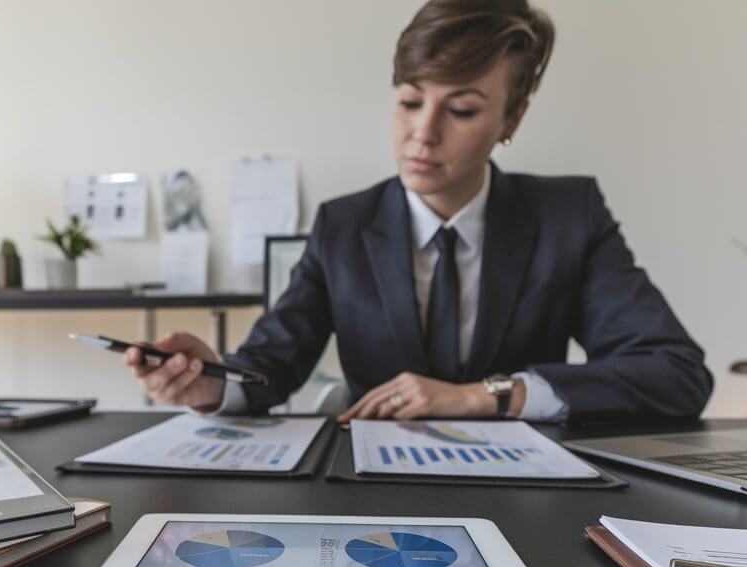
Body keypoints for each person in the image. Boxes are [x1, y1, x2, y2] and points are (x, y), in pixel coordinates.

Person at [125, 0, 712, 423]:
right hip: (374, 500)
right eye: (409, 101)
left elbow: (676, 373)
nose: (421, 134)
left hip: (530, 503)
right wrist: (209, 381)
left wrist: (488, 394)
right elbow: (271, 364)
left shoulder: (569, 216)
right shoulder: (343, 225)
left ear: (512, 120)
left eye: (460, 109)